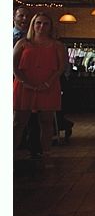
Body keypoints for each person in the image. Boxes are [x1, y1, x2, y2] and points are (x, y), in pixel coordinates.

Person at [13, 13, 66, 158]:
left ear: (50, 27)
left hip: (48, 85)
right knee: (19, 122)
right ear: (33, 25)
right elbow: (13, 65)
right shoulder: (23, 43)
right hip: (24, 85)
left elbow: (61, 67)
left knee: (46, 121)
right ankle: (10, 154)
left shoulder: (57, 45)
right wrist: (24, 82)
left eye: (45, 23)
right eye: (38, 23)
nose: (41, 26)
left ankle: (46, 153)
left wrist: (48, 82)